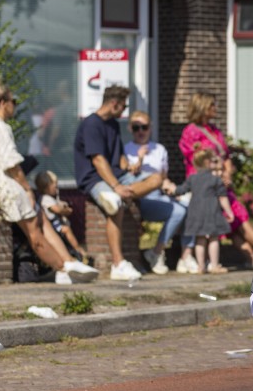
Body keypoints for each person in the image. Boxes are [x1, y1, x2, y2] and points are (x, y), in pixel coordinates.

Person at [0, 76, 98, 285]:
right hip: (3, 182)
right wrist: (27, 189)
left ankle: (69, 262)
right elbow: (11, 164)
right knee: (33, 229)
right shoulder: (0, 127)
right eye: (13, 101)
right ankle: (62, 268)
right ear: (3, 103)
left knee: (40, 217)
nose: (15, 106)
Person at [178, 92, 253, 269]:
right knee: (234, 217)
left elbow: (225, 155)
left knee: (235, 219)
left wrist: (228, 174)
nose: (215, 108)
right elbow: (196, 162)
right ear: (202, 107)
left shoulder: (214, 130)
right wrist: (216, 177)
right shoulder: (190, 132)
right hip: (206, 187)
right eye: (212, 105)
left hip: (221, 183)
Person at [74, 84, 156, 282]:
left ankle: (126, 193)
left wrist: (128, 166)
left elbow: (118, 156)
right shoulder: (91, 124)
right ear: (114, 104)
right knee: (115, 204)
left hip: (118, 176)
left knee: (156, 178)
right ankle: (118, 264)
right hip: (94, 179)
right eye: (124, 106)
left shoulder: (113, 124)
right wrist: (116, 187)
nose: (124, 111)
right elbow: (98, 160)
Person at [122, 110, 187, 274]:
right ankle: (157, 254)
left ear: (150, 128)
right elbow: (127, 177)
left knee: (187, 206)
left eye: (144, 127)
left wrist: (171, 187)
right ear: (130, 128)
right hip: (140, 197)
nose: (141, 131)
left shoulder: (159, 149)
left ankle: (182, 256)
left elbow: (163, 177)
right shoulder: (126, 150)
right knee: (178, 211)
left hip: (158, 195)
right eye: (136, 127)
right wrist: (140, 159)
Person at [172, 148, 234, 274]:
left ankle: (201, 266)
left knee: (200, 239)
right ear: (207, 162)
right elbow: (222, 197)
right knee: (213, 238)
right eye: (213, 161)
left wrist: (171, 189)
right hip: (211, 211)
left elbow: (181, 190)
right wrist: (229, 212)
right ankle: (214, 265)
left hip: (195, 212)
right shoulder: (216, 179)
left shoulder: (192, 178)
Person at [34, 170, 91, 265]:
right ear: (46, 187)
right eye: (54, 186)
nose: (56, 188)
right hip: (52, 225)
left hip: (55, 223)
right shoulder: (45, 199)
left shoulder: (51, 198)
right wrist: (65, 210)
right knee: (66, 229)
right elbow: (56, 209)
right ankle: (77, 248)